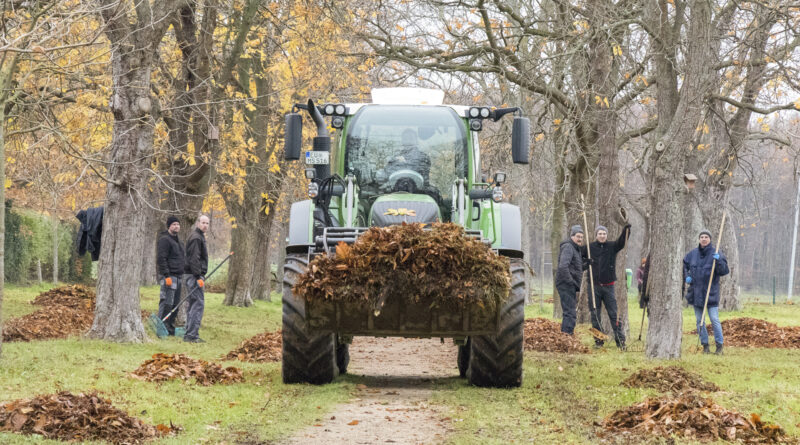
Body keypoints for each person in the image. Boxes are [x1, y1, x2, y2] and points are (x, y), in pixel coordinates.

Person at [584, 223, 631, 349]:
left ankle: (620, 342)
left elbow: (621, 242)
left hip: (608, 286)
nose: (602, 236)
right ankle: (598, 341)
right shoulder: (589, 248)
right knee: (595, 315)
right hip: (593, 287)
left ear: (607, 235)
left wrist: (626, 229)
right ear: (596, 235)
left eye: (604, 234)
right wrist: (585, 263)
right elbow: (578, 256)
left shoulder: (611, 246)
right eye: (600, 233)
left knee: (614, 314)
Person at [684, 229, 729, 355]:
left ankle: (719, 346)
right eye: (702, 237)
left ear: (710, 239)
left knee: (714, 319)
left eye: (706, 237)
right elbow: (684, 265)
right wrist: (686, 275)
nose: (704, 239)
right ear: (699, 239)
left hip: (711, 293)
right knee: (700, 321)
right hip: (696, 294)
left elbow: (724, 271)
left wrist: (719, 260)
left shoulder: (716, 252)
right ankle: (705, 346)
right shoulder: (692, 254)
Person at [157, 216, 185, 336]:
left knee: (175, 304)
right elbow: (161, 258)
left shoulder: (179, 241)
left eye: (178, 224)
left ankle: (169, 326)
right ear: (169, 226)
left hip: (179, 277)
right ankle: (161, 326)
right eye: (174, 224)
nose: (176, 226)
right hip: (170, 277)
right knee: (167, 303)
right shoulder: (164, 240)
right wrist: (166, 275)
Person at [555, 225, 585, 335]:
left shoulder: (576, 249)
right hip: (565, 284)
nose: (580, 239)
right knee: (570, 312)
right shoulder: (568, 247)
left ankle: (566, 335)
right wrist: (570, 281)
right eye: (578, 236)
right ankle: (566, 336)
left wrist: (586, 265)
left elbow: (575, 268)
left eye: (581, 237)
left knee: (570, 311)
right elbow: (563, 266)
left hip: (569, 284)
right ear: (572, 236)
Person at [184, 215, 210, 343]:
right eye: (203, 222)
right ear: (198, 223)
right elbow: (194, 258)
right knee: (197, 304)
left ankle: (189, 333)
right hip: (194, 276)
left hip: (193, 275)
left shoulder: (199, 236)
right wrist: (198, 276)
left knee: (193, 303)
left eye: (207, 223)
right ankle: (192, 335)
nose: (205, 225)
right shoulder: (195, 237)